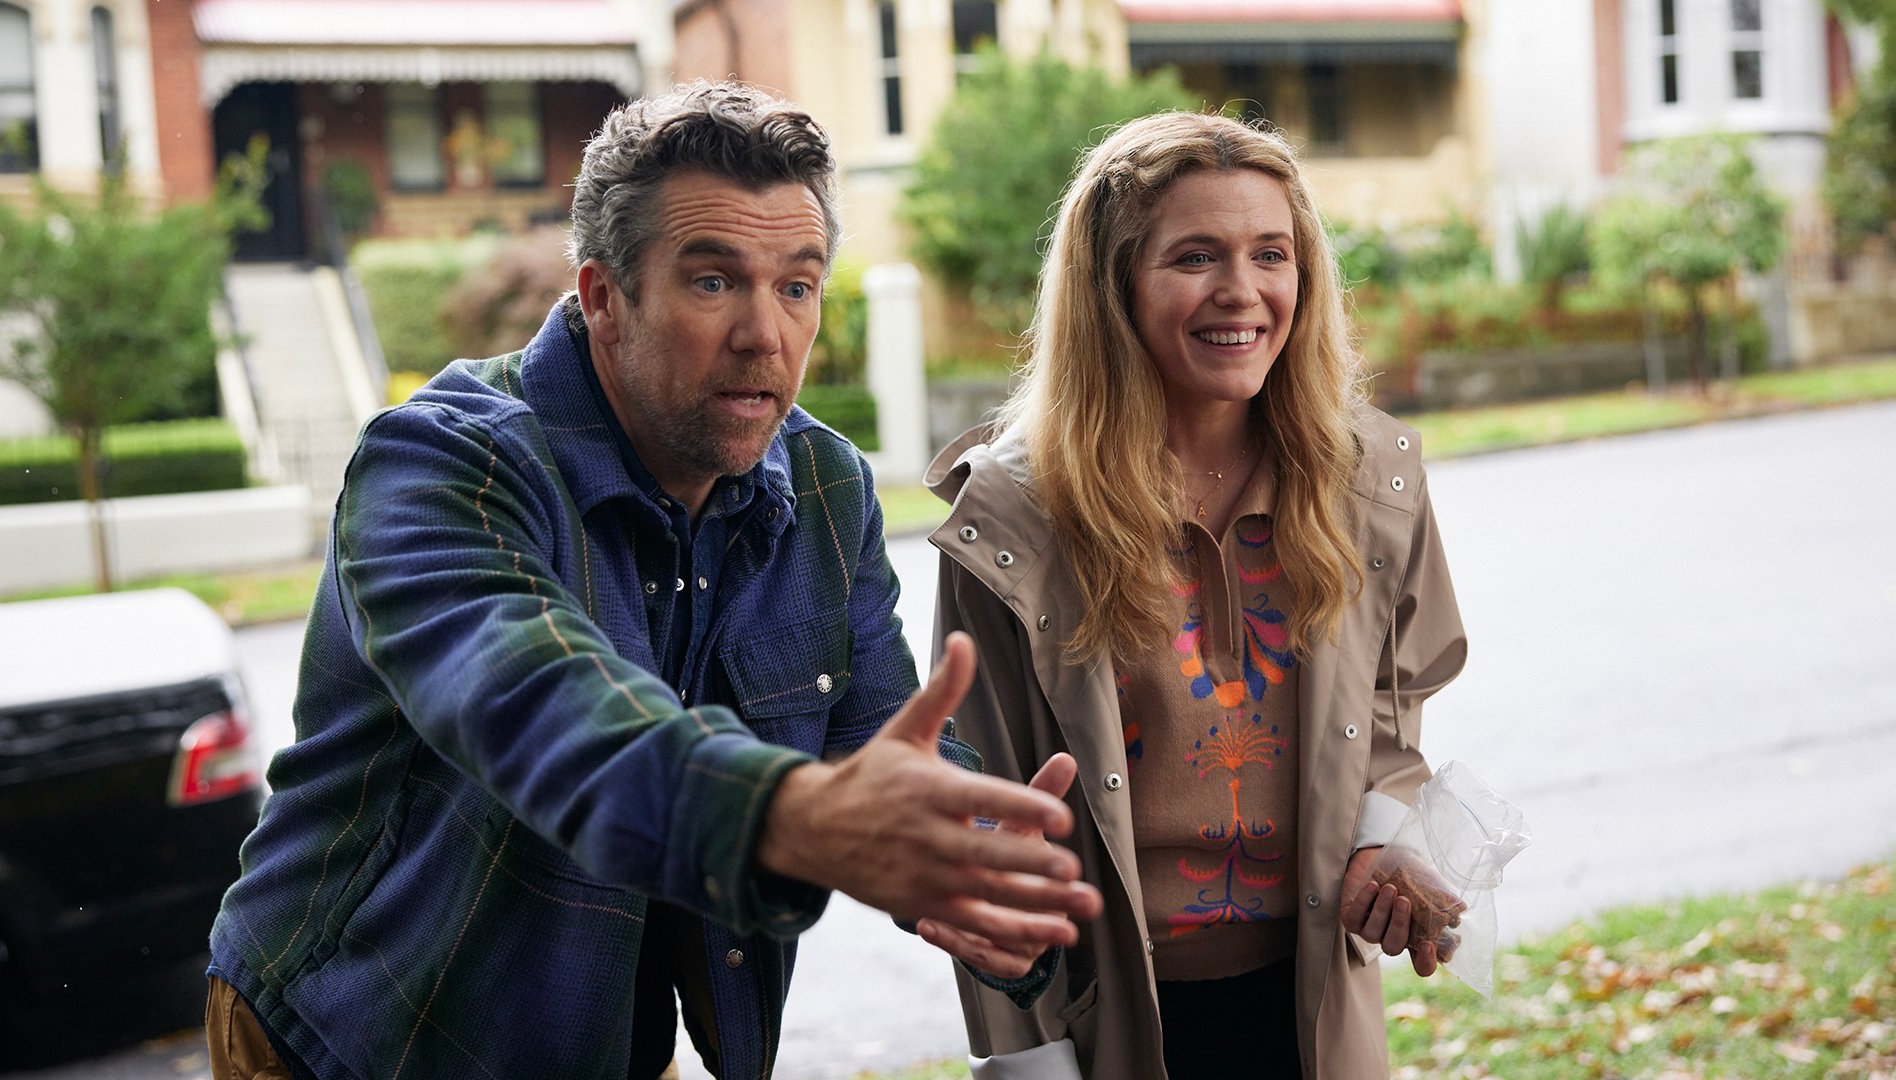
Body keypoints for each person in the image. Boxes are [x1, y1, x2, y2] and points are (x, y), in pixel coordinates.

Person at [204, 82, 1100, 1080]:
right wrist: (792, 817)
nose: (766, 333)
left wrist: (982, 870)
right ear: (601, 297)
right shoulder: (443, 460)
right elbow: (546, 714)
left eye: (797, 286)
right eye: (714, 281)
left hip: (608, 1036)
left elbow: (880, 739)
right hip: (358, 1033)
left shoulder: (824, 482)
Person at [920, 111, 1468, 1079]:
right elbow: (985, 834)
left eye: (1272, 253)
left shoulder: (1368, 483)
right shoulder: (1014, 521)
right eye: (1195, 257)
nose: (1243, 292)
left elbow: (1389, 726)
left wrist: (1384, 845)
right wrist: (1029, 1062)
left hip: (1312, 1017)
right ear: (1113, 287)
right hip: (1114, 1034)